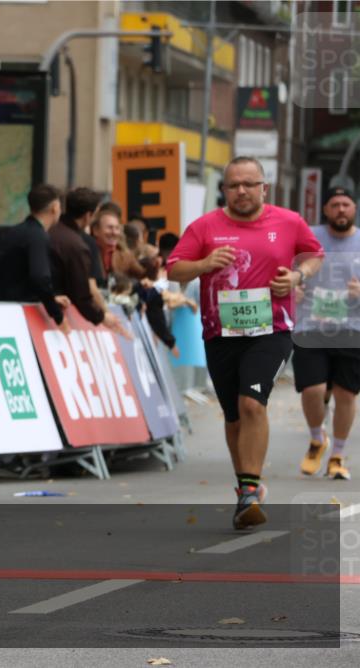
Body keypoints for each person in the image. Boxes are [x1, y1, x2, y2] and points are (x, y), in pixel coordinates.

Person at [166, 156, 324, 530]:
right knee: (235, 416)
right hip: (221, 333)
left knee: (252, 402)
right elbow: (174, 268)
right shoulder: (205, 227)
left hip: (272, 330)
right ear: (224, 190)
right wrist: (204, 264)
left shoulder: (288, 222)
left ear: (263, 187)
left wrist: (298, 276)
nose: (241, 191)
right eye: (233, 185)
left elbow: (314, 254)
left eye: (249, 184)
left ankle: (250, 491)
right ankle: (246, 489)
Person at [293, 186, 359, 481]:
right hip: (311, 326)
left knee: (346, 394)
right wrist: (294, 287)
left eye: (346, 204)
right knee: (313, 390)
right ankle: (317, 438)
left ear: (354, 209)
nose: (341, 209)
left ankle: (337, 456)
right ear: (325, 210)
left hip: (351, 329)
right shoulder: (309, 236)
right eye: (335, 204)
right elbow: (289, 268)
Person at [49, 187, 127, 335]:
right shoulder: (78, 245)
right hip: (56, 319)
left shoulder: (50, 230)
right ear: (88, 216)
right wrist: (102, 316)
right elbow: (83, 292)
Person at [0, 183, 69, 331]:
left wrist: (50, 299)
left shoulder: (15, 232)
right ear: (55, 207)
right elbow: (40, 278)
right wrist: (57, 315)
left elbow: (18, 276)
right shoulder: (38, 237)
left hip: (6, 311)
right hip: (22, 320)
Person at [92, 202, 145, 286]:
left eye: (117, 228)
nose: (114, 232)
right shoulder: (86, 252)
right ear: (96, 230)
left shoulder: (124, 255)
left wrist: (153, 266)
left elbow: (142, 274)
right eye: (109, 228)